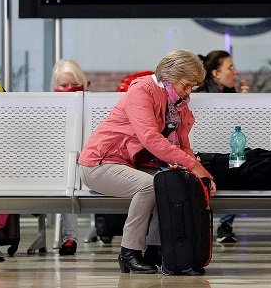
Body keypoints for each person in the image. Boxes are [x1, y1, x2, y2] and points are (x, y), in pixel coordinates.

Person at [78, 50, 215, 274]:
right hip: (100, 164)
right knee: (149, 185)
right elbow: (150, 138)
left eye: (192, 87)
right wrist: (193, 166)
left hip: (128, 165)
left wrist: (202, 173)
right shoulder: (142, 91)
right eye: (186, 85)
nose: (189, 92)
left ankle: (157, 251)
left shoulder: (176, 102)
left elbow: (183, 144)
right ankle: (129, 251)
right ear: (170, 76)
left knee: (172, 185)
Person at [196, 50, 248, 244]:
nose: (235, 72)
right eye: (230, 67)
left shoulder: (229, 96)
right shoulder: (201, 98)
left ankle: (225, 224)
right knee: (235, 166)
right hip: (205, 158)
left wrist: (244, 102)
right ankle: (220, 224)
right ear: (216, 74)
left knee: (239, 165)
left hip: (220, 157)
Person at [50, 58, 89, 256]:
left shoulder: (91, 105)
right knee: (67, 176)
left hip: (89, 162)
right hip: (63, 165)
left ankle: (70, 237)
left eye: (74, 84)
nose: (69, 89)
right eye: (64, 85)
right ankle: (69, 237)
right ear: (55, 86)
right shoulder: (50, 109)